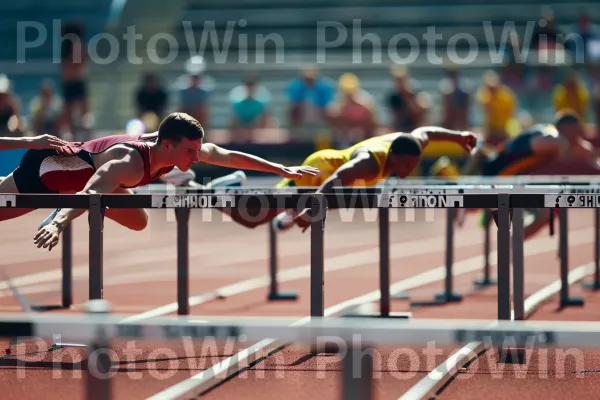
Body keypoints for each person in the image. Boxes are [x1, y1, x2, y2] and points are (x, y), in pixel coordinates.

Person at [0, 113, 318, 251]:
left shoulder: (177, 147)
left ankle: (203, 189)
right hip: (45, 175)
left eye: (197, 149)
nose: (198, 156)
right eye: (191, 151)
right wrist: (58, 222)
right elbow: (89, 192)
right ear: (168, 144)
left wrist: (280, 169)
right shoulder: (126, 162)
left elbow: (228, 156)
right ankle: (54, 210)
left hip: (91, 183)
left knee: (139, 221)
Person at [217, 127, 477, 231]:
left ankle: (289, 212)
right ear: (394, 156)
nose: (411, 169)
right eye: (407, 164)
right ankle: (221, 191)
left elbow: (426, 131)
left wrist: (459, 137)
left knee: (268, 216)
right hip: (320, 171)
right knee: (253, 218)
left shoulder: (412, 144)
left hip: (334, 176)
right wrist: (312, 211)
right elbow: (335, 181)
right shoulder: (370, 161)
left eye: (415, 164)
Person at [431, 110, 600, 238]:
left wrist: (579, 148)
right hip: (497, 179)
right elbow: (560, 152)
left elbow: (578, 154)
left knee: (548, 212)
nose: (580, 135)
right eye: (577, 131)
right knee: (547, 211)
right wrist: (570, 146)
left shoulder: (548, 132)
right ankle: (457, 189)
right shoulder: (552, 137)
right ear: (568, 128)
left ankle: (510, 244)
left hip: (504, 176)